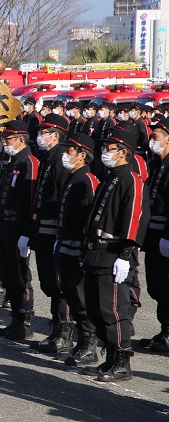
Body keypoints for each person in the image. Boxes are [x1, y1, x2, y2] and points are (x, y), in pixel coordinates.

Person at [80, 129, 149, 382]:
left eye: (109, 148)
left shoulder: (131, 179)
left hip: (115, 252)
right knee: (97, 310)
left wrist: (128, 251)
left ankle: (122, 362)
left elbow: (134, 216)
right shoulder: (110, 177)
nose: (104, 152)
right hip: (96, 251)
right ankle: (109, 358)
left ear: (123, 152)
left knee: (113, 311)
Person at [53, 133, 100, 367]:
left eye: (69, 151)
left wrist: (85, 249)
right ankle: (80, 339)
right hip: (65, 243)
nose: (65, 155)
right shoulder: (72, 178)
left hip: (78, 246)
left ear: (82, 156)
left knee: (82, 298)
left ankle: (89, 343)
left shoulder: (87, 180)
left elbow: (89, 220)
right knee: (69, 292)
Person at [28, 114, 72, 353]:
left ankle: (63, 333)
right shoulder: (49, 157)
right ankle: (56, 329)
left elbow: (60, 199)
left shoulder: (61, 159)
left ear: (56, 136)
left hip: (54, 231)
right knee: (49, 283)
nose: (40, 136)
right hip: (43, 228)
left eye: (45, 132)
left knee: (59, 284)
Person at [0, 120, 40, 340]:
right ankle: (14, 319)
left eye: (8, 139)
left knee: (20, 276)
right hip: (6, 226)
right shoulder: (13, 162)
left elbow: (29, 201)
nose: (4, 143)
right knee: (7, 274)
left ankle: (25, 321)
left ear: (21, 139)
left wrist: (27, 231)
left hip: (19, 228)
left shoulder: (28, 162)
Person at [138, 118, 169, 353]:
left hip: (165, 236)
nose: (152, 140)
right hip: (153, 235)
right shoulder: (157, 164)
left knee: (166, 285)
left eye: (156, 136)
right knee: (156, 286)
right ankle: (164, 329)